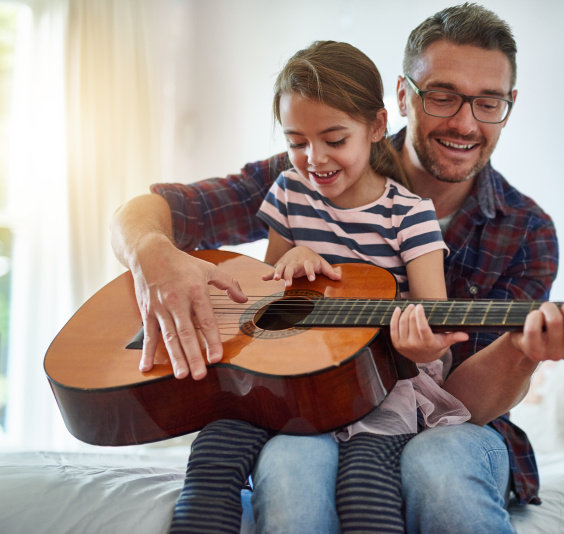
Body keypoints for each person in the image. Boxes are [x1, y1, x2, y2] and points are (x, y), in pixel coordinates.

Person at [111, 3, 564, 533]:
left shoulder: (528, 232)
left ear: (509, 107)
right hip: (308, 408)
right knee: (286, 465)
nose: (466, 122)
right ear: (401, 99)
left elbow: (462, 402)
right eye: (443, 96)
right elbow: (146, 212)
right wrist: (155, 260)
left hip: (448, 420)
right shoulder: (315, 166)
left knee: (437, 466)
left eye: (488, 102)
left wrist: (520, 350)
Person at [168, 40, 471, 534]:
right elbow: (268, 301)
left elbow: (431, 317)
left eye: (334, 139)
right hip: (285, 378)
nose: (314, 158)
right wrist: (291, 258)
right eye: (297, 142)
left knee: (366, 493)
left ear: (375, 127)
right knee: (212, 457)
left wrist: (420, 344)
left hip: (378, 387)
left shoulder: (410, 215)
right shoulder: (289, 191)